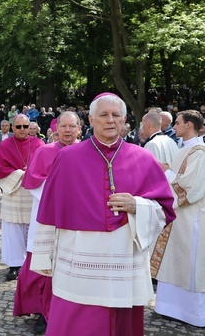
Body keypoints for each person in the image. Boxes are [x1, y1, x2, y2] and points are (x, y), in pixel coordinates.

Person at [30, 93, 175, 335]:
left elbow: (165, 208)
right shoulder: (67, 158)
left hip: (123, 256)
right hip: (78, 258)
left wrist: (137, 205)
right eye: (104, 115)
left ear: (125, 120)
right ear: (91, 119)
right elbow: (49, 209)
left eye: (116, 115)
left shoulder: (143, 158)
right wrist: (43, 255)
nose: (110, 120)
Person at [14, 111, 81, 334]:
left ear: (79, 129)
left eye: (73, 126)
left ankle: (66, 313)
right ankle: (44, 314)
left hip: (76, 220)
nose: (68, 130)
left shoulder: (87, 152)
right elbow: (33, 183)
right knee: (43, 269)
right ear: (56, 129)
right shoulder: (45, 151)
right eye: (64, 126)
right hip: (46, 219)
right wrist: (61, 194)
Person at [154, 110, 205, 327]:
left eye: (177, 123)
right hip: (178, 217)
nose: (174, 126)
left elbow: (192, 187)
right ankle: (168, 306)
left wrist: (166, 173)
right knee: (174, 260)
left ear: (189, 125)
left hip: (192, 218)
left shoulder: (200, 152)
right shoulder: (185, 149)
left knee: (191, 262)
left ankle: (192, 312)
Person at [0, 114, 44, 281]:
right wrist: (21, 173)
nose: (22, 129)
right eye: (18, 126)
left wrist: (31, 173)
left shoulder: (39, 144)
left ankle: (33, 264)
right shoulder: (5, 144)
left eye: (25, 126)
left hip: (32, 192)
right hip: (13, 190)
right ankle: (14, 265)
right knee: (13, 229)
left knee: (34, 229)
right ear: (12, 128)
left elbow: (46, 166)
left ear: (30, 127)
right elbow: (0, 168)